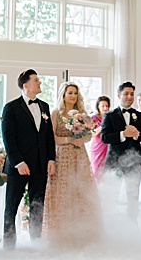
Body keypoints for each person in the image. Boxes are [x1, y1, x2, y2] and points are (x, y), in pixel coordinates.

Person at [1, 69, 56, 250]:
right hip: (19, 166)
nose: (40, 83)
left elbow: (49, 137)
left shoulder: (44, 107)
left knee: (37, 205)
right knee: (12, 207)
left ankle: (36, 244)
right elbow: (8, 138)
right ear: (26, 85)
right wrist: (18, 162)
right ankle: (9, 247)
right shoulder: (11, 107)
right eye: (36, 81)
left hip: (41, 165)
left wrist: (51, 159)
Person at [43, 82, 101, 242]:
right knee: (63, 191)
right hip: (62, 156)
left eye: (75, 93)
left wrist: (82, 138)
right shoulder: (56, 113)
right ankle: (61, 234)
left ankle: (82, 232)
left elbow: (90, 135)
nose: (73, 96)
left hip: (80, 155)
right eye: (70, 93)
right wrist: (69, 139)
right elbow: (51, 138)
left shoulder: (82, 114)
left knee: (81, 191)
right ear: (63, 95)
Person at [101, 82, 141, 223]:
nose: (129, 97)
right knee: (112, 195)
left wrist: (136, 134)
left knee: (133, 195)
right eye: (126, 94)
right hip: (114, 161)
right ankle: (109, 224)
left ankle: (133, 225)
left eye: (131, 94)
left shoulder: (139, 116)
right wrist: (123, 134)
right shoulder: (109, 115)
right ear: (119, 95)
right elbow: (104, 138)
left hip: (134, 162)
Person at [90, 95, 111, 180]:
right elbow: (90, 134)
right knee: (97, 171)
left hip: (108, 146)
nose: (105, 108)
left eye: (107, 106)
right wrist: (101, 128)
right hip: (97, 147)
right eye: (103, 106)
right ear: (98, 107)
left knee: (107, 172)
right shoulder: (93, 118)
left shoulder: (110, 117)